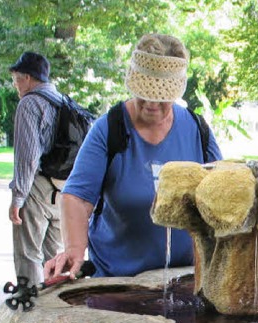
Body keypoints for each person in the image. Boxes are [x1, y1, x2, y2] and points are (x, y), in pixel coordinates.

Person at [44, 33, 222, 280]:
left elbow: (220, 195)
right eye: (144, 93)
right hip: (119, 282)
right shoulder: (109, 128)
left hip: (187, 279)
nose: (151, 103)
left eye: (161, 97)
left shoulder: (197, 130)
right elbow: (77, 197)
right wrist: (74, 250)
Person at [8, 52, 63, 287]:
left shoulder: (29, 103)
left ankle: (28, 307)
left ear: (28, 78)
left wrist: (17, 198)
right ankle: (57, 312)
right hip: (63, 188)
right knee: (56, 255)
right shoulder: (62, 100)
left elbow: (27, 157)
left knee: (28, 253)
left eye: (16, 79)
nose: (15, 85)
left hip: (38, 187)